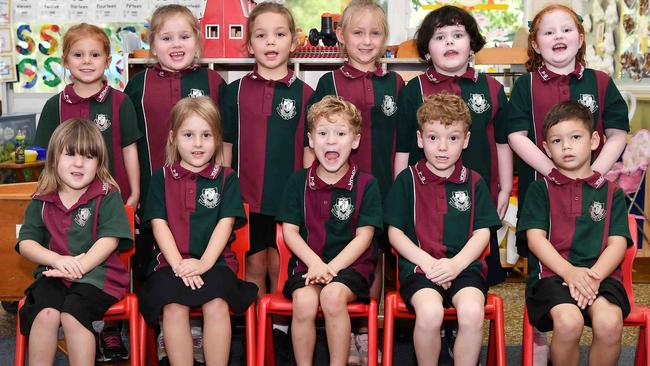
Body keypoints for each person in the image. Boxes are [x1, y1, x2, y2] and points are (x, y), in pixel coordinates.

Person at [308, 1, 403, 361]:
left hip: (381, 187)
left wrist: (399, 189)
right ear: (342, 37)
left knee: (373, 257)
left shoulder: (395, 83)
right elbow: (311, 140)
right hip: (333, 188)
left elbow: (404, 145)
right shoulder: (328, 81)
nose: (366, 41)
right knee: (337, 250)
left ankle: (367, 330)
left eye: (374, 33)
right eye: (358, 33)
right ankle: (343, 332)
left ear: (385, 39)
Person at [394, 5, 512, 286]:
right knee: (427, 276)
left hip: (476, 196)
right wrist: (401, 190)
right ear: (426, 52)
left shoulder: (492, 88)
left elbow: (502, 142)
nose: (449, 42)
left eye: (457, 35)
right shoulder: (414, 90)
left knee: (472, 274)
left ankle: (463, 318)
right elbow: (402, 147)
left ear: (472, 45)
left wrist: (505, 187)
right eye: (439, 37)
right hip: (424, 200)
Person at [220, 3, 313, 360]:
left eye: (279, 34)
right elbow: (224, 148)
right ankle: (256, 335)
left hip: (288, 201)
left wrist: (304, 198)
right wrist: (224, 196)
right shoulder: (234, 91)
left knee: (282, 265)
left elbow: (309, 152)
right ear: (249, 44)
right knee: (253, 266)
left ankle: (280, 334)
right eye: (261, 35)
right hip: (246, 198)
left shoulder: (307, 94)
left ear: (293, 42)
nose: (270, 42)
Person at [138, 97, 258, 365]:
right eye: (188, 135)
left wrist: (203, 263)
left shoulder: (227, 178)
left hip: (215, 263)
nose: (198, 143)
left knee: (216, 305)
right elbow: (159, 225)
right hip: (170, 264)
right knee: (173, 307)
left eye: (206, 135)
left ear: (217, 139)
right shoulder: (161, 178)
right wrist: (180, 265)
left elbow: (225, 225)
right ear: (173, 138)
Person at [384, 93, 502, 366]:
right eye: (433, 137)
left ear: (467, 140)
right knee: (430, 314)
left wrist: (457, 264)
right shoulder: (407, 180)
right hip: (419, 268)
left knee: (472, 313)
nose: (442, 148)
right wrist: (428, 263)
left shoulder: (474, 182)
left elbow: (483, 233)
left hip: (465, 268)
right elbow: (394, 233)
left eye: (453, 138)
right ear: (419, 139)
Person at [507, 4, 629, 252]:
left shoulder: (601, 82)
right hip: (540, 189)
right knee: (542, 256)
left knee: (593, 249)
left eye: (566, 29)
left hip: (592, 192)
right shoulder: (525, 85)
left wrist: (593, 173)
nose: (558, 36)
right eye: (549, 33)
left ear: (580, 38)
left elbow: (617, 134)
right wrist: (552, 171)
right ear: (536, 45)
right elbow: (516, 136)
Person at [519, 100, 632, 366]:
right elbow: (535, 240)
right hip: (552, 276)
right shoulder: (540, 190)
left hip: (600, 276)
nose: (566, 146)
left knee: (609, 323)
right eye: (557, 141)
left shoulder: (611, 192)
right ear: (546, 149)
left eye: (575, 137)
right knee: (569, 322)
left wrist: (593, 277)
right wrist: (570, 273)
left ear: (594, 140)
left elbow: (617, 244)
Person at [16, 119, 134, 366]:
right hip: (54, 273)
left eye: (89, 157)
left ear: (99, 162)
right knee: (45, 313)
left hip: (99, 277)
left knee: (72, 314)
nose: (79, 163)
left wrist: (80, 265)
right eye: (70, 154)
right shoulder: (42, 198)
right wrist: (57, 260)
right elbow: (27, 243)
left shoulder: (107, 194)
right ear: (54, 159)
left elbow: (110, 239)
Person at [276, 95, 383, 366]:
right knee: (303, 302)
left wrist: (331, 269)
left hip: (350, 269)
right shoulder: (297, 181)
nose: (331, 141)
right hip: (307, 267)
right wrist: (315, 265)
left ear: (356, 140)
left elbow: (365, 237)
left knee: (332, 297)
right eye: (323, 133)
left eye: (341, 133)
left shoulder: (367, 184)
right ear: (311, 140)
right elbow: (290, 231)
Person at [124, 4, 226, 280]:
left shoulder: (214, 82)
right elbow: (127, 145)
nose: (176, 44)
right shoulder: (137, 86)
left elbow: (224, 142)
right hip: (151, 198)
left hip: (205, 202)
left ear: (197, 39)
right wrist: (133, 194)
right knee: (152, 271)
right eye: (166, 38)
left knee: (206, 269)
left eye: (184, 36)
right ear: (152, 44)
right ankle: (155, 320)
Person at [34, 23, 141, 208]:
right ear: (65, 61)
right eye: (78, 55)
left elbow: (130, 151)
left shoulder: (121, 102)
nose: (86, 61)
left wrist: (135, 193)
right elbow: (45, 158)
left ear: (107, 61)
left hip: (114, 201)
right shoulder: (54, 106)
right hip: (64, 204)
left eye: (95, 55)